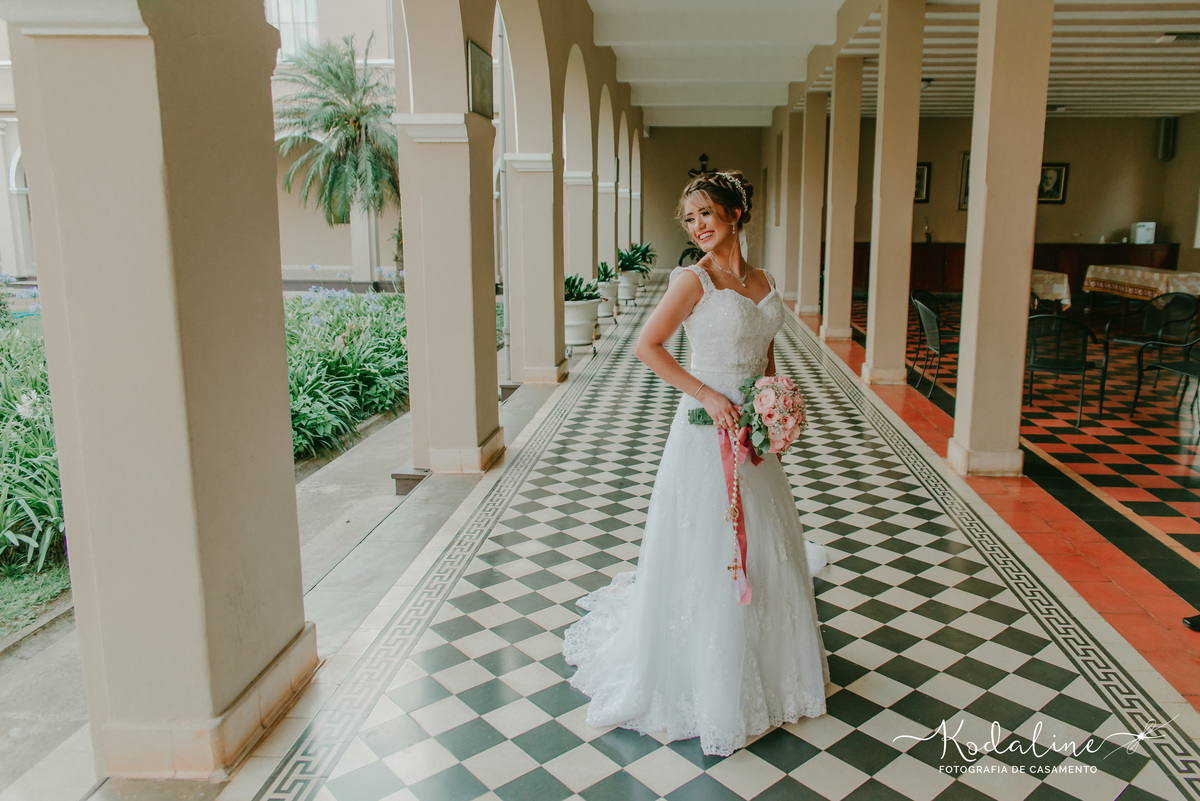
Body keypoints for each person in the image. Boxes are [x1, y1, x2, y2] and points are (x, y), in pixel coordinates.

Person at [562, 171, 829, 757]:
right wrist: (707, 395)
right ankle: (705, 672)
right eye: (690, 219)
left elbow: (765, 345)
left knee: (763, 540)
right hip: (704, 432)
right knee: (711, 544)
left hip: (750, 432)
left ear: (735, 212)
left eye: (706, 213)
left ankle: (769, 665)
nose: (698, 226)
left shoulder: (762, 280)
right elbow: (647, 346)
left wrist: (770, 399)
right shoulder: (692, 280)